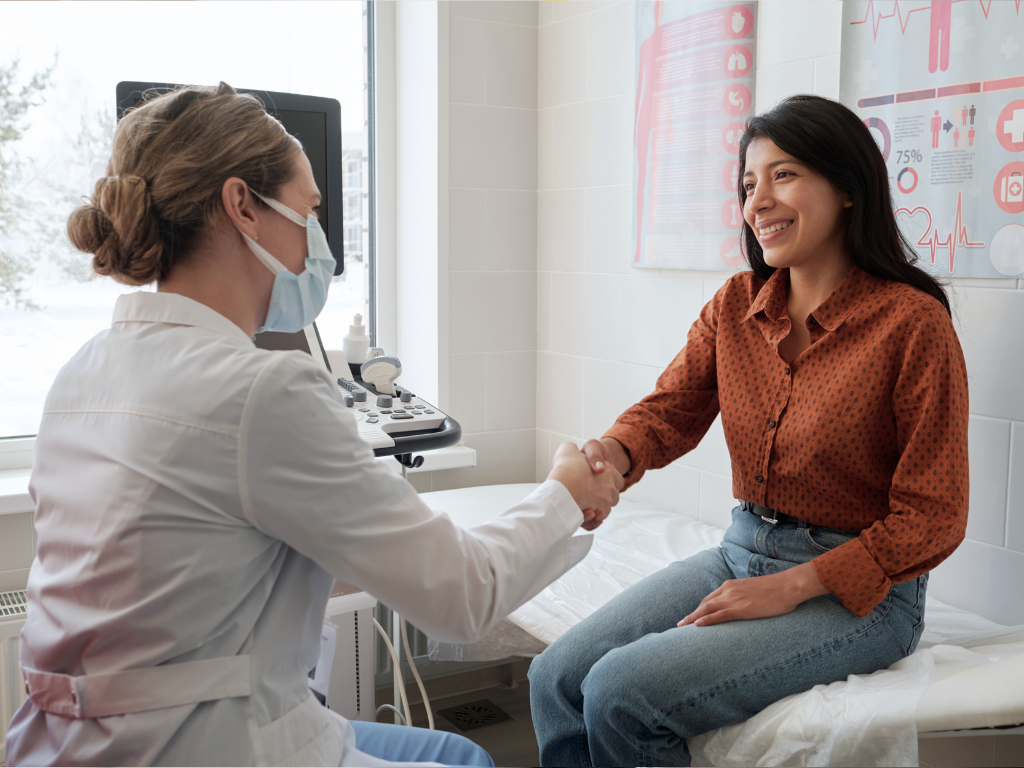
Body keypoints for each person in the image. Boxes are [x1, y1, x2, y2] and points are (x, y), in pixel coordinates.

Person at [5, 83, 624, 768]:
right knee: (469, 760)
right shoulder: (262, 389)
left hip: (57, 745)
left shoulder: (83, 373)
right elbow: (462, 595)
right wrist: (566, 492)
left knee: (449, 753)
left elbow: (183, 563)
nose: (318, 244)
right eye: (309, 211)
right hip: (201, 745)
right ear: (243, 206)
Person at [528, 94, 969, 767]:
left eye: (783, 175)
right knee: (554, 679)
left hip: (864, 598)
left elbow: (933, 517)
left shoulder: (912, 325)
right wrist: (611, 455)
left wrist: (790, 586)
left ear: (849, 189)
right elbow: (670, 410)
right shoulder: (737, 304)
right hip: (742, 550)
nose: (757, 201)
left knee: (620, 691)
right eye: (747, 183)